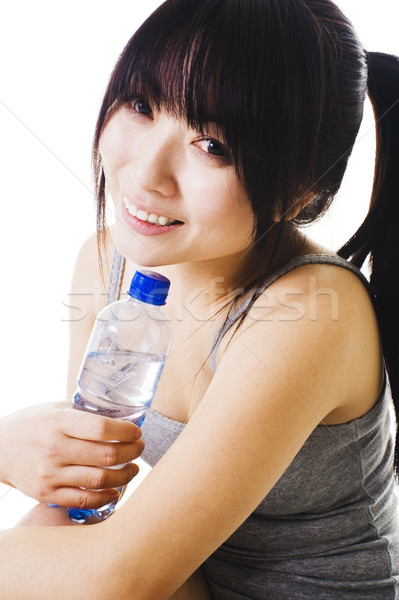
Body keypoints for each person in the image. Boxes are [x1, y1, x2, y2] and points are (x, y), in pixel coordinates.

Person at [0, 0, 398, 597]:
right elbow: (86, 500)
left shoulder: (313, 309)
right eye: (140, 106)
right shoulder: (106, 259)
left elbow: (117, 578)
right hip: (189, 576)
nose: (145, 172)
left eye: (212, 144)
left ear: (303, 193)